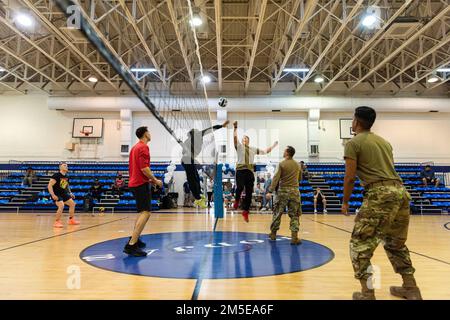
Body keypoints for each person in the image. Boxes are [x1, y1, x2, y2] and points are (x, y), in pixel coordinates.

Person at [342, 106, 422, 300]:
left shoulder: (353, 143)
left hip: (380, 194)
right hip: (401, 193)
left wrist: (345, 201)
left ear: (357, 122)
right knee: (396, 244)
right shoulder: (384, 142)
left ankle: (367, 293)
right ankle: (411, 289)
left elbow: (350, 177)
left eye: (353, 119)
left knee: (360, 244)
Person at [124, 126, 163, 257]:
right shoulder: (143, 147)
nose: (150, 134)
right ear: (146, 134)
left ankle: (135, 238)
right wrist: (155, 180)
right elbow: (144, 168)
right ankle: (131, 245)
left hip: (135, 182)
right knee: (146, 213)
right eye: (149, 131)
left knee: (142, 212)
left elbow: (135, 169)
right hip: (140, 184)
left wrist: (150, 180)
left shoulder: (134, 148)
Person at [233, 121, 278, 222]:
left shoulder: (253, 149)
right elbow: (235, 139)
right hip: (240, 170)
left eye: (246, 138)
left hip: (249, 171)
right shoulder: (239, 146)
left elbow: (265, 151)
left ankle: (245, 211)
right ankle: (236, 201)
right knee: (240, 187)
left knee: (249, 192)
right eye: (243, 138)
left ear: (248, 141)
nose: (244, 139)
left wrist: (274, 146)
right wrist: (235, 128)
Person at [181, 121, 229, 209]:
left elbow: (211, 129)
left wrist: (221, 126)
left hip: (190, 160)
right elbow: (184, 152)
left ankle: (199, 195)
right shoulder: (192, 138)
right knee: (192, 179)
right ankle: (197, 198)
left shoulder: (196, 136)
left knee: (196, 177)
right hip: (187, 159)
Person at [266, 146, 302, 245]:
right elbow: (300, 178)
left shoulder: (281, 164)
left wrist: (270, 191)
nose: (283, 152)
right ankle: (294, 238)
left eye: (284, 150)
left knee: (278, 213)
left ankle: (273, 234)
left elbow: (276, 178)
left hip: (283, 191)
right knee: (294, 215)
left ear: (287, 153)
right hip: (295, 192)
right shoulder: (298, 165)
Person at [47, 162, 80, 228]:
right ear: (60, 167)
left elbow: (66, 185)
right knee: (61, 205)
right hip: (56, 194)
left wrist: (70, 193)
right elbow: (49, 186)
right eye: (64, 165)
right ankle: (57, 222)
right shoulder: (56, 175)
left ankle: (71, 220)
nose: (66, 167)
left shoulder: (66, 176)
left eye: (67, 166)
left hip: (63, 193)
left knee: (72, 204)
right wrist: (53, 195)